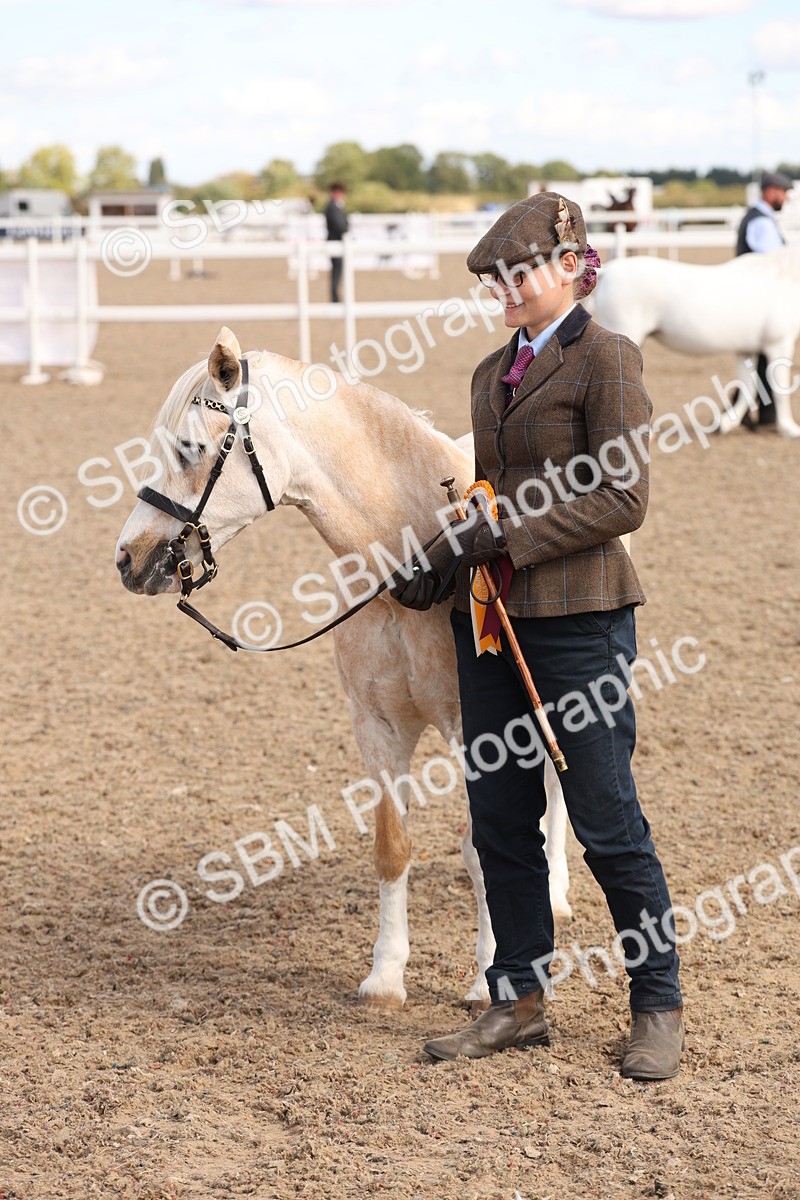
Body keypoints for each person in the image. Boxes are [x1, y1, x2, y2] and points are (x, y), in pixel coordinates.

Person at [391, 192, 684, 1080]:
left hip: (580, 626)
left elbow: (623, 496)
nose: (506, 289)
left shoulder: (609, 360)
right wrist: (443, 560)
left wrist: (508, 535)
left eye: (521, 272)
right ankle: (517, 999)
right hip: (489, 628)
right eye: (496, 278)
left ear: (571, 265)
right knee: (500, 821)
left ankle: (657, 1001)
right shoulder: (488, 377)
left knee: (604, 820)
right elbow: (487, 498)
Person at [735, 169, 794, 428]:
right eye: (783, 193)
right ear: (771, 192)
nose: (786, 199)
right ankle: (756, 412)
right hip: (759, 300)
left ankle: (748, 410)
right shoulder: (761, 221)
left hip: (757, 299)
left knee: (762, 358)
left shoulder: (761, 218)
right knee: (767, 357)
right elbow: (774, 261)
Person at [324, 181, 349, 303]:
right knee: (336, 271)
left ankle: (335, 296)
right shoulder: (332, 207)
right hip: (335, 242)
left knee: (337, 271)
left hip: (337, 242)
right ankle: (334, 297)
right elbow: (341, 225)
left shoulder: (336, 206)